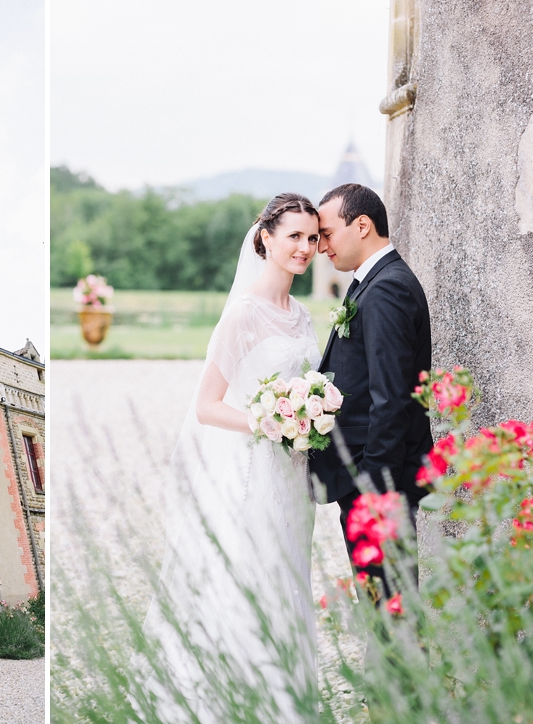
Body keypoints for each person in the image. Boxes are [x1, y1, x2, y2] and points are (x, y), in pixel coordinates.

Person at [141, 193, 322, 722]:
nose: (305, 248)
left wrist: (309, 418)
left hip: (291, 476)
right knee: (249, 577)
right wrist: (272, 422)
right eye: (294, 236)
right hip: (251, 473)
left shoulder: (303, 314)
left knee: (288, 577)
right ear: (265, 238)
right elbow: (205, 406)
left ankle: (284, 702)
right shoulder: (243, 314)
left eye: (312, 238)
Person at [310, 183, 432, 595]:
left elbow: (391, 398)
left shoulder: (387, 288)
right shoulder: (371, 282)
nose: (321, 246)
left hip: (378, 483)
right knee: (386, 605)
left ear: (361, 225)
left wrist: (372, 490)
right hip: (373, 480)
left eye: (326, 233)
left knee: (391, 606)